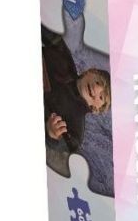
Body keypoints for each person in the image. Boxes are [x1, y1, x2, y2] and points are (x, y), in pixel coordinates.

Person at [42, 24, 111, 154]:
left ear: (96, 109)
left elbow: (66, 146)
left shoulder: (76, 129)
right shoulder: (63, 57)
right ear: (89, 72)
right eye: (98, 81)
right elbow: (46, 31)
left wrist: (52, 134)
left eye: (101, 97)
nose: (96, 88)